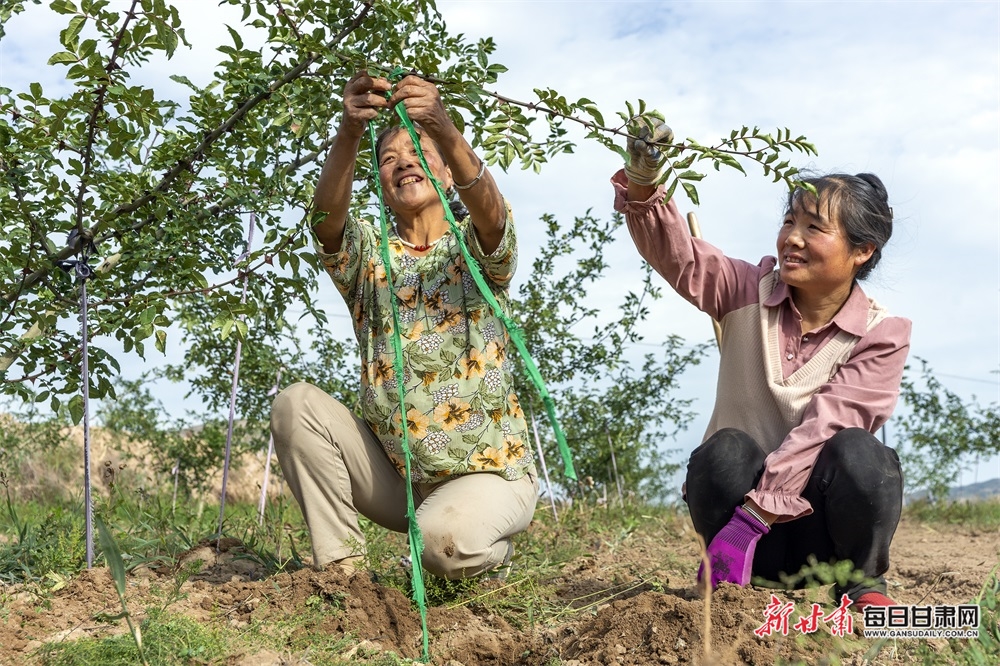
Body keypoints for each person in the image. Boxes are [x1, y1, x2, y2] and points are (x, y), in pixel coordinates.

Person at [613, 120, 910, 611]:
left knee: (862, 453)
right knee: (725, 450)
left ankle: (861, 586)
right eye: (790, 221)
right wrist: (645, 181)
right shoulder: (742, 289)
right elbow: (679, 257)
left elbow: (826, 426)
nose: (792, 238)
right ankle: (732, 585)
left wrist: (755, 514)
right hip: (739, 541)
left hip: (821, 536)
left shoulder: (882, 333)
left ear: (862, 251)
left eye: (814, 227)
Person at [270, 72, 538, 579]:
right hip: (399, 479)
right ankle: (343, 574)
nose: (404, 162)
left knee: (442, 544)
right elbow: (326, 221)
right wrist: (349, 134)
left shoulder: (473, 248)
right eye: (388, 159)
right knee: (296, 404)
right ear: (381, 184)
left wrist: (441, 124)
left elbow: (493, 217)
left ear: (447, 173)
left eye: (419, 152)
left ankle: (486, 554)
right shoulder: (370, 255)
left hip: (490, 473)